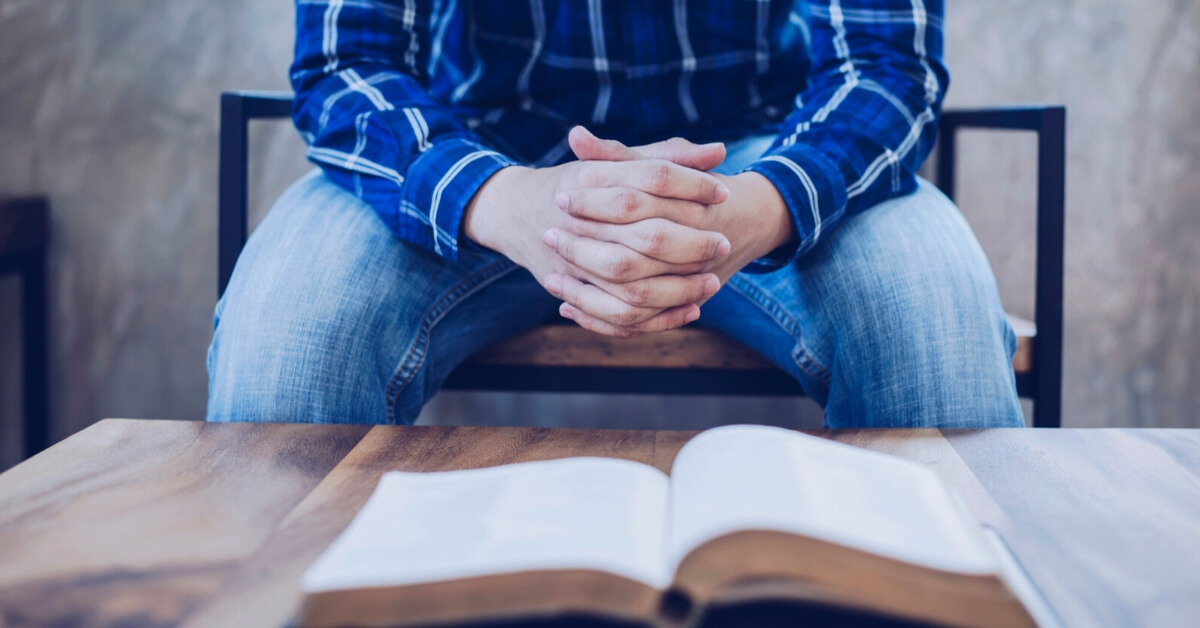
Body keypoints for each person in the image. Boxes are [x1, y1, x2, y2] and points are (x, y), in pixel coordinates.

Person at [207, 1, 1024, 428]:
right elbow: (351, 61)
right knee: (290, 333)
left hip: (758, 157)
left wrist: (762, 202)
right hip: (481, 160)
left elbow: (886, 66)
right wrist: (494, 197)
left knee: (932, 314)